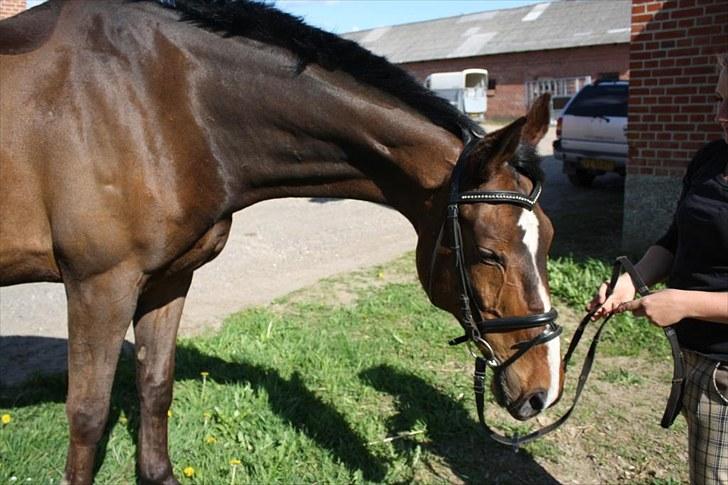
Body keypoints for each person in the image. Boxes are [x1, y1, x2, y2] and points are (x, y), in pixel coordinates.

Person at [588, 54, 728, 484]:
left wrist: (684, 303)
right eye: (720, 98)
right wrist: (632, 281)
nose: (719, 115)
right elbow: (674, 240)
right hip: (694, 361)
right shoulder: (710, 159)